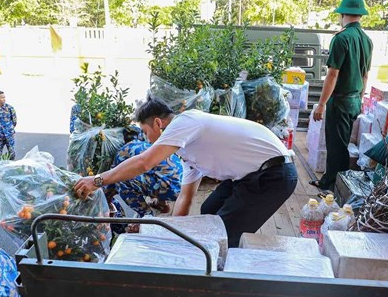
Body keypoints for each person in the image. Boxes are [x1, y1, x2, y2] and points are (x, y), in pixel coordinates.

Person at [75, 100, 298, 247]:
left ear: (158, 123)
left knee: (221, 235)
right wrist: (168, 235)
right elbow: (185, 198)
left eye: (145, 132)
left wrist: (97, 181)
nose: (146, 140)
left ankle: (224, 286)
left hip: (273, 175)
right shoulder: (189, 152)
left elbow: (145, 163)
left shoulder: (187, 121)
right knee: (208, 210)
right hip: (250, 175)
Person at [310, 0, 373, 192]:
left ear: (343, 14)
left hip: (340, 100)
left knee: (336, 148)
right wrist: (361, 99)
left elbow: (332, 74)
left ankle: (335, 188)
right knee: (341, 144)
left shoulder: (341, 38)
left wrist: (321, 104)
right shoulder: (367, 40)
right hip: (354, 100)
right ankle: (330, 180)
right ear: (360, 15)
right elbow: (365, 75)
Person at [110, 140, 182, 218]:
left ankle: (147, 217)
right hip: (186, 184)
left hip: (173, 188)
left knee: (120, 180)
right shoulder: (138, 145)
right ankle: (161, 204)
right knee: (153, 173)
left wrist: (107, 201)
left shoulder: (120, 156)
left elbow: (109, 186)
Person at [0, 90, 17, 159]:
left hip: (9, 134)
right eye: (2, 97)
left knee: (11, 153)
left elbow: (14, 121)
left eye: (4, 97)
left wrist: (9, 128)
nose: (4, 99)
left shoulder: (10, 108)